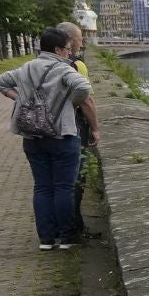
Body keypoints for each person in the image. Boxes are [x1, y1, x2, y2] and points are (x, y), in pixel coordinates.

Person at [0, 27, 99, 250]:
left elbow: (1, 82)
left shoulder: (26, 68)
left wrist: (22, 100)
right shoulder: (62, 69)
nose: (69, 53)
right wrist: (68, 103)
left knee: (42, 187)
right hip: (62, 134)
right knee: (64, 187)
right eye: (67, 49)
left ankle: (46, 239)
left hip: (33, 136)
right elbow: (84, 88)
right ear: (58, 49)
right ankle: (66, 237)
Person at [56, 22, 93, 238]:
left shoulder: (37, 66)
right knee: (75, 180)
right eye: (80, 38)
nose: (83, 42)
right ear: (70, 41)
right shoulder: (77, 65)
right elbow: (87, 101)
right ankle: (73, 229)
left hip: (45, 129)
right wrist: (95, 128)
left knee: (48, 185)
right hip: (74, 128)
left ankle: (51, 231)